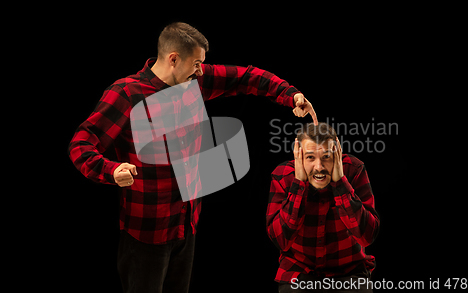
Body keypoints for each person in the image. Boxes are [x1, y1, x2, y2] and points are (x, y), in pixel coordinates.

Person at [68, 22, 317, 293]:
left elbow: (246, 77)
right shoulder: (126, 94)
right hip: (146, 234)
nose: (200, 70)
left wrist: (290, 95)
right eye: (196, 63)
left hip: (186, 227)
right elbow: (81, 143)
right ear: (174, 58)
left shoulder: (193, 83)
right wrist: (110, 170)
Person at [266, 123, 380, 293]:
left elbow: (367, 236)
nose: (319, 167)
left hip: (349, 271)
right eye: (310, 157)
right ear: (299, 156)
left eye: (326, 156)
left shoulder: (354, 170)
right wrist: (298, 186)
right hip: (299, 271)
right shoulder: (283, 176)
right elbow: (281, 240)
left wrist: (341, 183)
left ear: (337, 154)